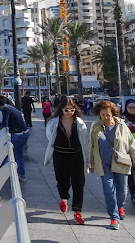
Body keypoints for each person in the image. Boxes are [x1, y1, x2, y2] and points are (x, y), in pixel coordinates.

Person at [88, 100, 135, 230]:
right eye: (102, 115)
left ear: (113, 113)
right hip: (104, 164)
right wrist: (90, 163)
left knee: (122, 192)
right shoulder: (95, 126)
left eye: (107, 114)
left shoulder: (121, 125)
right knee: (109, 190)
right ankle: (113, 217)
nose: (105, 117)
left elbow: (132, 144)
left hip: (121, 163)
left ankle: (120, 206)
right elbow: (92, 146)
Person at [44, 96, 89, 225]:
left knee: (78, 182)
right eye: (66, 110)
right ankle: (64, 197)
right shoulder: (54, 122)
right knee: (62, 179)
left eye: (72, 110)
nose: (69, 112)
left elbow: (85, 140)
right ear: (61, 110)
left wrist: (88, 159)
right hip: (60, 154)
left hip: (76, 155)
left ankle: (77, 211)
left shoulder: (79, 123)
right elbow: (49, 136)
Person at [0, 95, 30, 181]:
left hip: (18, 135)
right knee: (18, 155)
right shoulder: (10, 108)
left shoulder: (5, 109)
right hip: (24, 134)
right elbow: (8, 123)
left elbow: (5, 125)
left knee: (4, 151)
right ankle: (21, 175)